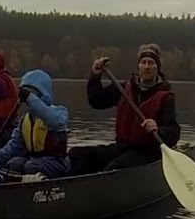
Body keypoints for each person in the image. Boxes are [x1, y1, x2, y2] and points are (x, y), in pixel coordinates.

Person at [68, 43, 181, 174]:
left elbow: (173, 132)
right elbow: (97, 101)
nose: (146, 67)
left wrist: (159, 130)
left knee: (113, 169)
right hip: (122, 148)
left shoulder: (166, 97)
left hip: (148, 153)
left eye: (151, 63)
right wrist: (95, 76)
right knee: (77, 154)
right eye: (143, 62)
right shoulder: (125, 88)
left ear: (158, 67)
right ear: (138, 66)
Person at [0, 69, 71, 179]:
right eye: (24, 92)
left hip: (57, 162)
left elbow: (55, 122)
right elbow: (13, 147)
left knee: (32, 166)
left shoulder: (59, 112)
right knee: (13, 164)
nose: (26, 97)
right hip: (34, 160)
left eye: (30, 92)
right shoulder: (25, 120)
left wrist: (30, 98)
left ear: (42, 92)